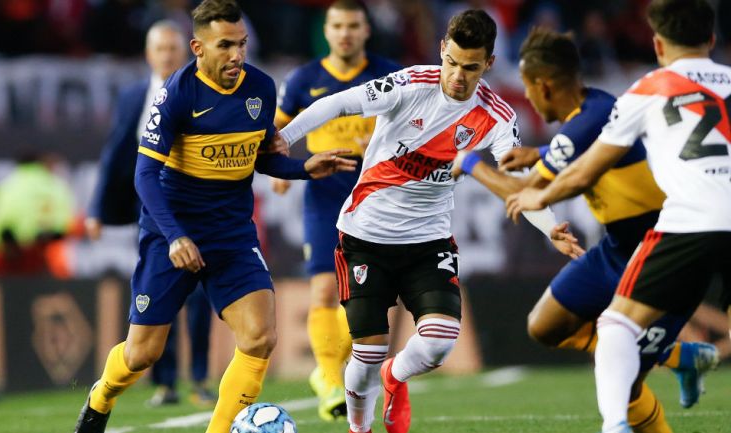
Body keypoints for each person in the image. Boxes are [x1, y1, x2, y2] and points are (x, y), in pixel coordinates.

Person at [277, 10, 580, 433]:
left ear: (488, 64)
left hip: (428, 240)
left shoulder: (497, 117)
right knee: (365, 357)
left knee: (438, 344)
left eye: (470, 67)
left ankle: (395, 376)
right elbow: (339, 102)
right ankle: (359, 429)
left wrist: (550, 227)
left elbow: (515, 184)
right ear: (442, 49)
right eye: (452, 62)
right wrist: (286, 137)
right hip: (366, 235)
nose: (457, 75)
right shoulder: (409, 83)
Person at [73, 1, 357, 433]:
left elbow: (260, 158)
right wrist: (174, 237)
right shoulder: (176, 94)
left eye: (241, 44)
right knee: (141, 355)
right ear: (198, 48)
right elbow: (144, 175)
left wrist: (303, 167)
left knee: (260, 337)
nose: (236, 55)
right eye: (225, 45)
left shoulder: (260, 88)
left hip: (231, 236)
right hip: (174, 234)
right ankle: (102, 396)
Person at [467, 27, 719, 433]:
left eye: (528, 90)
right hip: (617, 247)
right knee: (544, 326)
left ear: (543, 86)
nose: (528, 99)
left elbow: (526, 191)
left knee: (626, 379)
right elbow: (590, 150)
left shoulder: (589, 120)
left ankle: (658, 376)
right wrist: (542, 152)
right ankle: (679, 357)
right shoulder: (593, 112)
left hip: (661, 253)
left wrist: (466, 161)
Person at [271, 0, 401, 421]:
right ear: (326, 31)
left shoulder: (389, 75)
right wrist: (279, 167)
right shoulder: (304, 79)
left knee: (367, 298)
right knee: (325, 290)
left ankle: (334, 371)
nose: (345, 33)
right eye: (338, 25)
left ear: (366, 30)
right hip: (324, 199)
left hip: (379, 201)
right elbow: (277, 129)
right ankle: (329, 378)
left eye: (353, 25)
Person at [85, 20, 217, 409]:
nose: (167, 56)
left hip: (196, 207)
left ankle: (200, 379)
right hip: (150, 210)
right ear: (149, 54)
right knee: (158, 294)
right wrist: (96, 209)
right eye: (160, 49)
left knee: (198, 297)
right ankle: (165, 383)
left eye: (173, 49)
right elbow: (114, 155)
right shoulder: (131, 97)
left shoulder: (202, 93)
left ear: (186, 51)